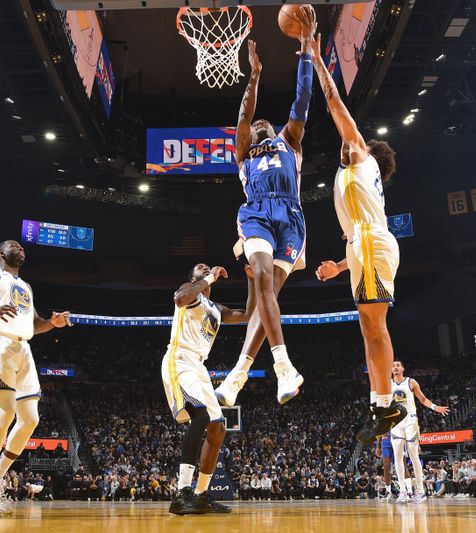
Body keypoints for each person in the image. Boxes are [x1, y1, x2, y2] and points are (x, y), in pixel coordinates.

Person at [215, 6, 317, 407]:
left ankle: (239, 374)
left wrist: (306, 50)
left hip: (291, 217)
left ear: (273, 129)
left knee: (267, 298)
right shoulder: (244, 152)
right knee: (260, 279)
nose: (259, 124)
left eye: (263, 123)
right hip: (256, 212)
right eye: (255, 124)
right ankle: (283, 365)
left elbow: (303, 99)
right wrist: (254, 75)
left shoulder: (290, 140)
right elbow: (243, 114)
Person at [309, 30, 405, 444]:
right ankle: (382, 404)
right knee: (368, 327)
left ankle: (386, 405)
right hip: (362, 245)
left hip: (370, 243)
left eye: (354, 145)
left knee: (374, 325)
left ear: (368, 154)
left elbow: (334, 104)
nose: (347, 148)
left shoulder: (362, 162)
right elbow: (363, 233)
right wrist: (341, 263)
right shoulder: (354, 178)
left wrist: (315, 57)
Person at [0, 240, 72, 516]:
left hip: (23, 348)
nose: (20, 248)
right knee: (6, 411)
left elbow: (35, 325)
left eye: (22, 247)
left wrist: (52, 324)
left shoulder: (26, 287)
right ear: (1, 253)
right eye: (14, 245)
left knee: (31, 419)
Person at [164, 263, 256, 515]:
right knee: (202, 415)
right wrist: (210, 277)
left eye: (207, 266)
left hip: (199, 367)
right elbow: (181, 299)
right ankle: (182, 493)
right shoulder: (188, 290)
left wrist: (251, 280)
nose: (204, 267)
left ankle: (201, 495)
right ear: (194, 277)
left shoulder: (216, 309)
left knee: (218, 428)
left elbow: (249, 314)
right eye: (199, 267)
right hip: (180, 359)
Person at [389, 360, 449, 503]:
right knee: (397, 456)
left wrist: (435, 407)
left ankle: (420, 491)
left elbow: (422, 399)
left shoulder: (411, 382)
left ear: (402, 368)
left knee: (413, 453)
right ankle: (403, 491)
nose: (395, 367)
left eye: (398, 365)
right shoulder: (387, 384)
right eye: (393, 366)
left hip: (410, 420)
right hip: (395, 422)